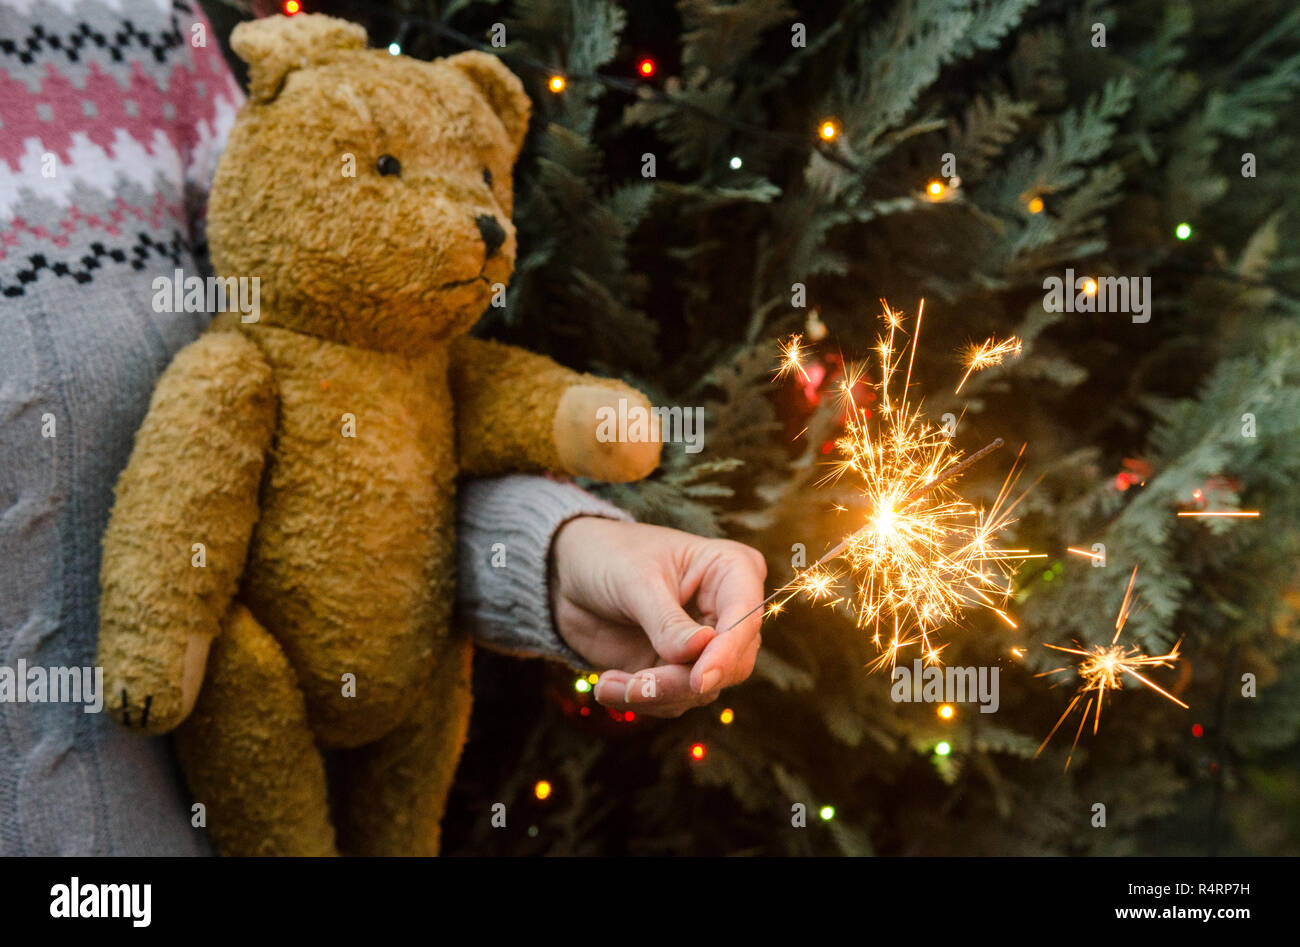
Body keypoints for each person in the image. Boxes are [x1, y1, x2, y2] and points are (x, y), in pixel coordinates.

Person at [0, 0, 764, 855]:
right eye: (394, 167)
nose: (477, 221)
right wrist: (155, 645)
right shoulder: (227, 379)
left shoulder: (126, 32)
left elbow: (380, 451)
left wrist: (565, 555)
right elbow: (189, 488)